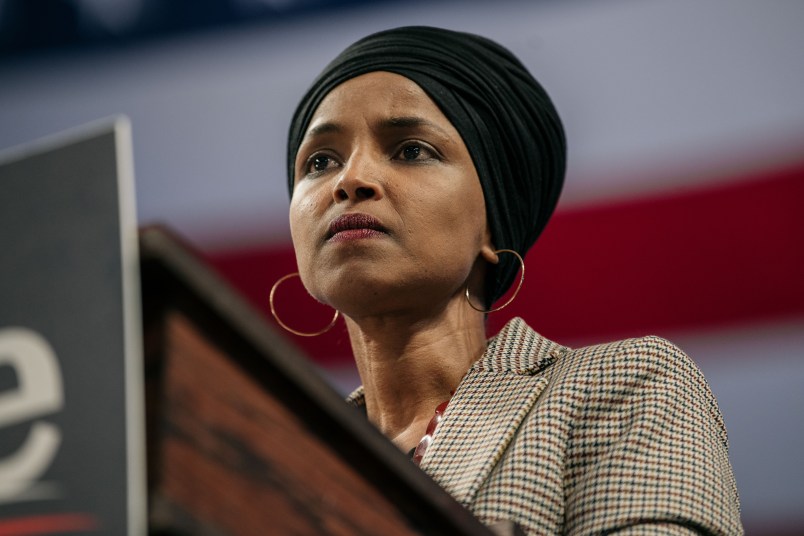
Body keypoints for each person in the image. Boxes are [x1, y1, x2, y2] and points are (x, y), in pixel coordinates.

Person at [274, 26, 743, 535]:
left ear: (493, 220)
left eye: (410, 150)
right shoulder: (273, 461)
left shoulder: (621, 385)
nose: (349, 181)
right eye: (320, 162)